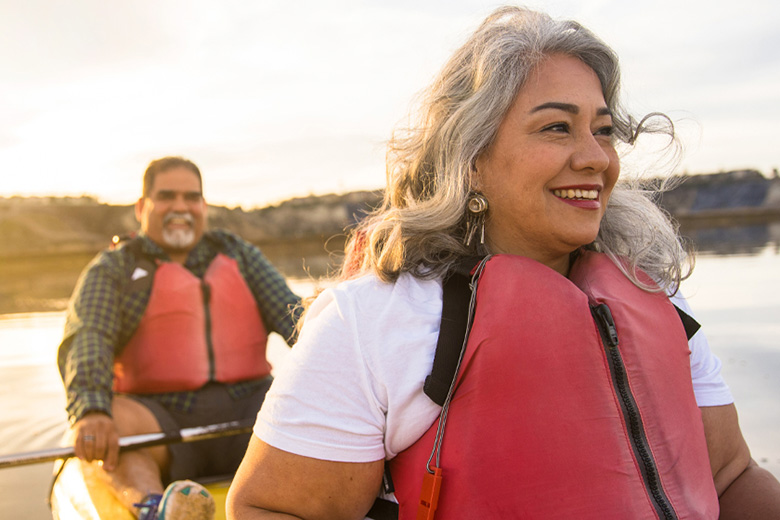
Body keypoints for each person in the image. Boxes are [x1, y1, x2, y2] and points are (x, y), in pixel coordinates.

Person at [227, 7, 780, 520]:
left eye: (603, 130)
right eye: (557, 127)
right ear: (470, 160)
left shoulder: (654, 295)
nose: (595, 157)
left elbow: (730, 477)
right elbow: (268, 507)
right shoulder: (373, 321)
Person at [57, 156, 302, 520]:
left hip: (251, 412)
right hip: (159, 419)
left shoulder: (240, 255)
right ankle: (156, 508)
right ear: (142, 207)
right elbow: (88, 335)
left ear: (203, 206)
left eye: (191, 198)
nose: (180, 208)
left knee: (306, 395)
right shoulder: (115, 268)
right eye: (166, 197)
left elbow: (296, 320)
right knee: (114, 417)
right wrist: (91, 408)